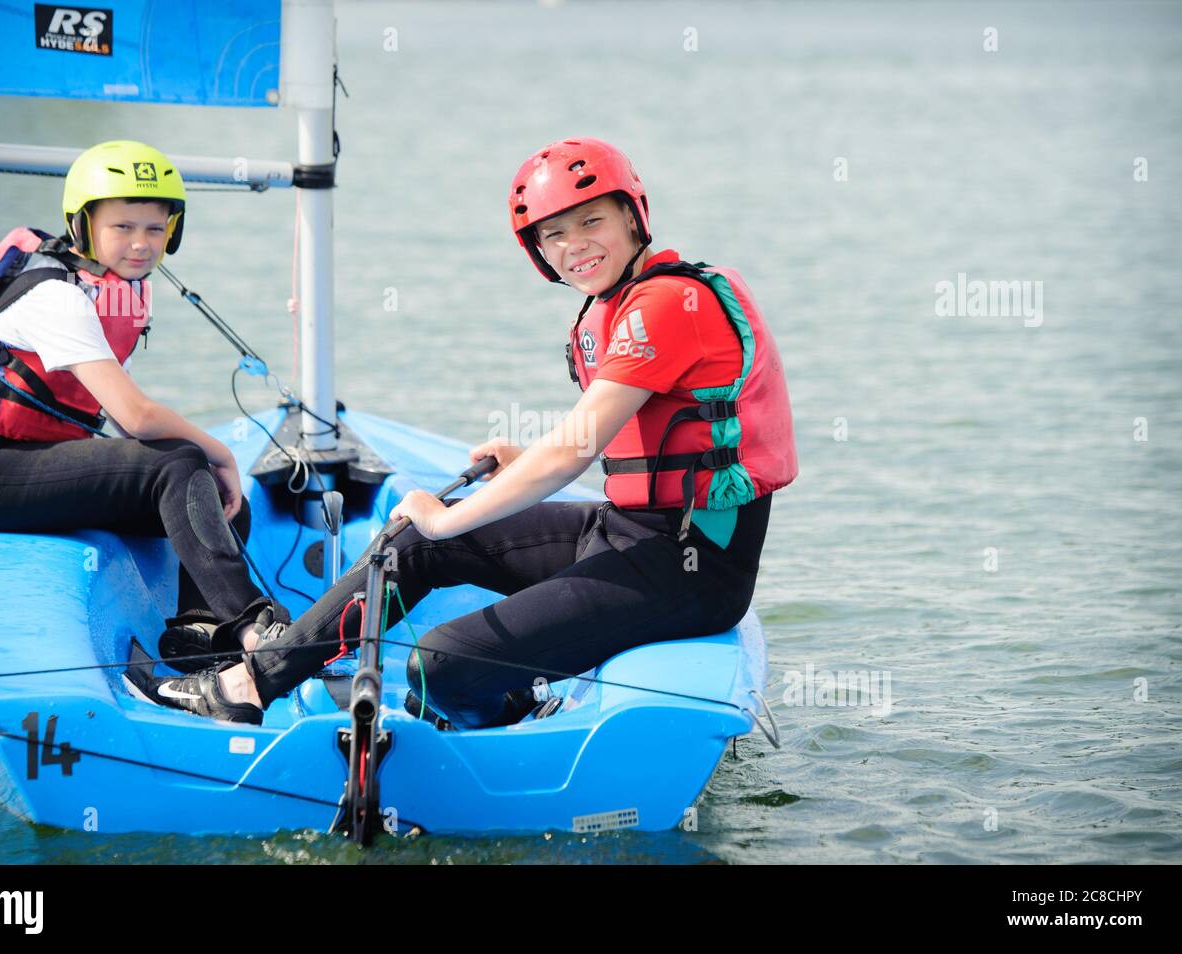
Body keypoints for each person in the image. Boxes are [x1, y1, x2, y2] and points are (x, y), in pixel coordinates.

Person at [132, 137, 797, 729]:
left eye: (592, 221)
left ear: (633, 215)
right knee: (410, 544)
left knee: (437, 663)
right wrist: (513, 464)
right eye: (554, 235)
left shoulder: (666, 303)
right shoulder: (619, 303)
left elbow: (574, 448)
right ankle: (253, 683)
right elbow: (635, 441)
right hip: (630, 532)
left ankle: (497, 712)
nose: (576, 246)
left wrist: (452, 519)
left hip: (690, 567)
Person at [0, 139, 286, 656]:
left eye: (155, 229)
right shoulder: (56, 296)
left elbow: (118, 422)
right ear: (83, 225)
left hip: (35, 458)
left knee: (225, 500)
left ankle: (198, 631)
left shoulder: (113, 288)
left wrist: (200, 468)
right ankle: (252, 625)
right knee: (189, 461)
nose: (141, 244)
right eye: (123, 228)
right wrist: (219, 451)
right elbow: (134, 416)